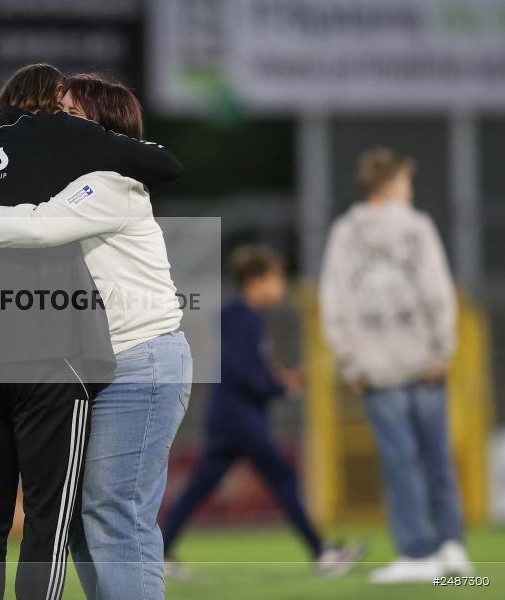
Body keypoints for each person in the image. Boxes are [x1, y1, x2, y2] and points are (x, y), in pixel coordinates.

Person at [0, 64, 183, 600]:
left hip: (140, 357)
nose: (53, 123)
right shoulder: (67, 176)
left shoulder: (109, 184)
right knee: (85, 519)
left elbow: (35, 226)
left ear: (100, 127)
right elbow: (3, 214)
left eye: (68, 114)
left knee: (113, 514)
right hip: (98, 361)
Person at [160, 246, 367, 578]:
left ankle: (160, 552)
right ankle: (323, 553)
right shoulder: (248, 318)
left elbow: (245, 367)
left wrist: (275, 377)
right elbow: (242, 371)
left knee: (200, 486)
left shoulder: (239, 316)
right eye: (276, 278)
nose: (281, 285)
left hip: (228, 414)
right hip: (240, 416)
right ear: (255, 282)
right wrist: (279, 386)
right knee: (282, 477)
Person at [320, 147, 471, 583]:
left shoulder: (346, 232)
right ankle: (451, 547)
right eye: (406, 182)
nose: (410, 189)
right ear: (392, 184)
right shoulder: (417, 226)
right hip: (423, 359)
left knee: (399, 461)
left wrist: (349, 360)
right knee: (436, 457)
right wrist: (443, 348)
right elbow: (437, 290)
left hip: (375, 365)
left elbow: (336, 301)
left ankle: (417, 555)